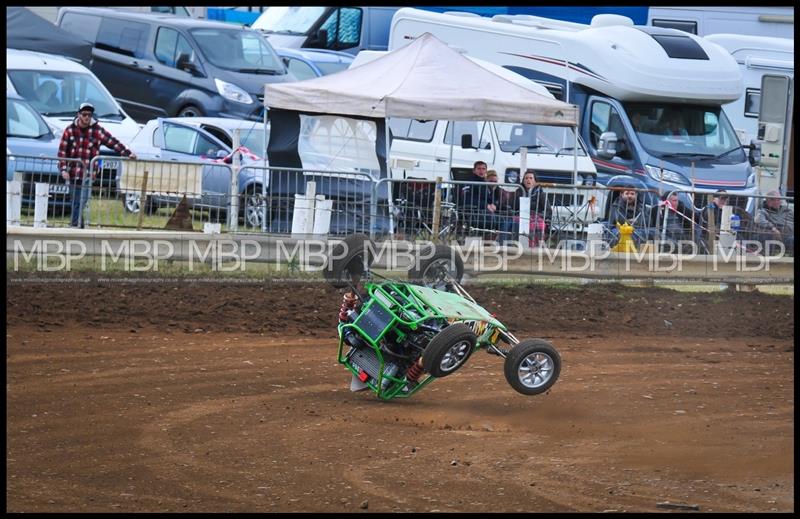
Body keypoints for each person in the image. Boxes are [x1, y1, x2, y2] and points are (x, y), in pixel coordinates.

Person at [58, 102, 137, 228]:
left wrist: (127, 153)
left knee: (82, 201)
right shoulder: (69, 130)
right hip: (73, 173)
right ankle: (78, 226)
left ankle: (74, 226)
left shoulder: (97, 130)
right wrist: (63, 169)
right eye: (84, 114)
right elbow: (62, 152)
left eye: (89, 114)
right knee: (75, 201)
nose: (86, 117)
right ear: (78, 115)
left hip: (89, 173)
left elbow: (113, 142)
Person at [514, 170, 549, 246]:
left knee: (539, 223)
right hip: (520, 216)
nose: (528, 180)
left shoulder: (541, 193)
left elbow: (548, 210)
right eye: (526, 178)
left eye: (530, 178)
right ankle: (527, 246)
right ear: (523, 181)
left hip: (536, 216)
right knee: (525, 222)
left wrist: (541, 216)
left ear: (535, 181)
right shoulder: (518, 191)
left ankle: (537, 246)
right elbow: (513, 206)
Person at [754, 190, 794, 255]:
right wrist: (773, 228)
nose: (780, 202)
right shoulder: (763, 211)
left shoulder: (787, 210)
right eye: (778, 199)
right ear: (769, 201)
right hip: (783, 237)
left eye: (780, 199)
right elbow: (759, 220)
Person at [484, 169, 516, 243]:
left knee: (511, 220)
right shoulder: (484, 189)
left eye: (495, 181)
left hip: (496, 213)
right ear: (486, 180)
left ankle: (505, 241)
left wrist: (507, 209)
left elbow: (500, 205)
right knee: (506, 221)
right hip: (486, 214)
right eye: (491, 181)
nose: (493, 183)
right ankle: (502, 242)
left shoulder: (498, 191)